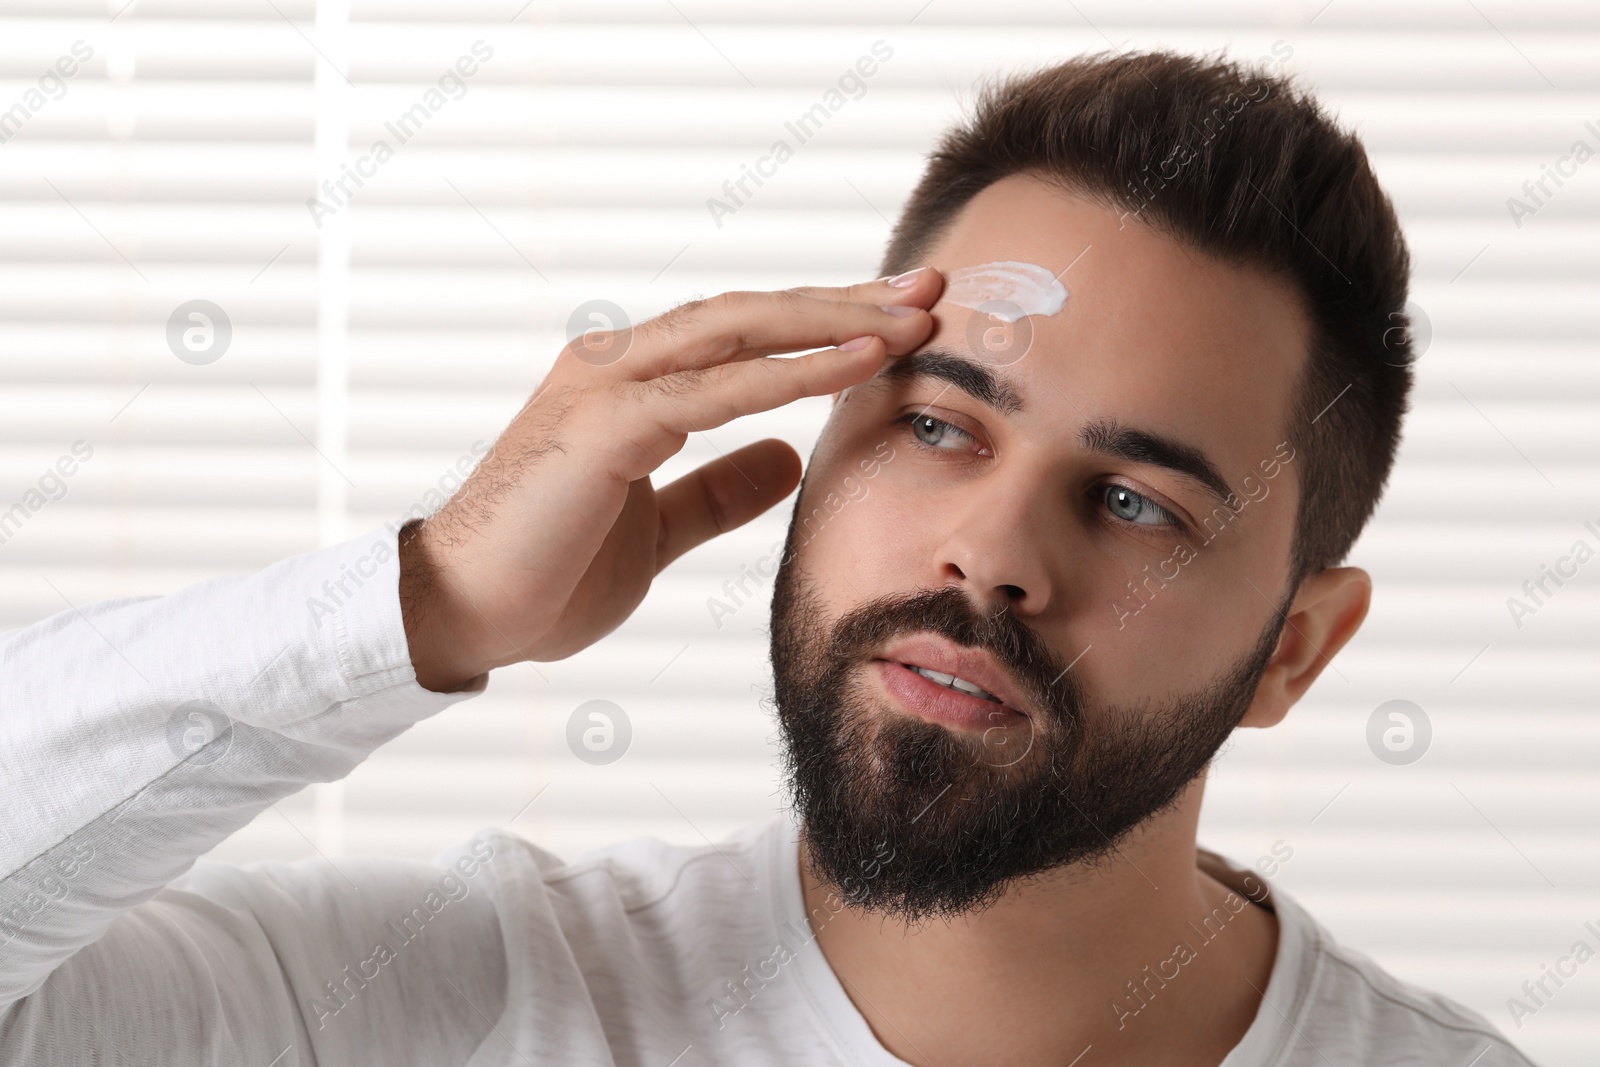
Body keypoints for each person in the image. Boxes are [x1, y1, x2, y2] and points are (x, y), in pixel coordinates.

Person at [0, 49, 1536, 1067]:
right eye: (941, 425)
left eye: (1136, 502)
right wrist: (425, 606)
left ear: (1293, 651)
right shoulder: (444, 1005)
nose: (989, 555)